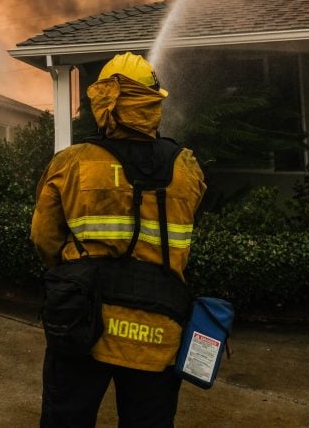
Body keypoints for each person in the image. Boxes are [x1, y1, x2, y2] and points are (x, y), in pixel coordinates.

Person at [31, 52, 206, 427]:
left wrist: (67, 274)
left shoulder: (71, 163)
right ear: (152, 101)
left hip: (81, 324)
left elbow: (44, 238)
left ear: (102, 102)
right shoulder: (186, 167)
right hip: (158, 329)